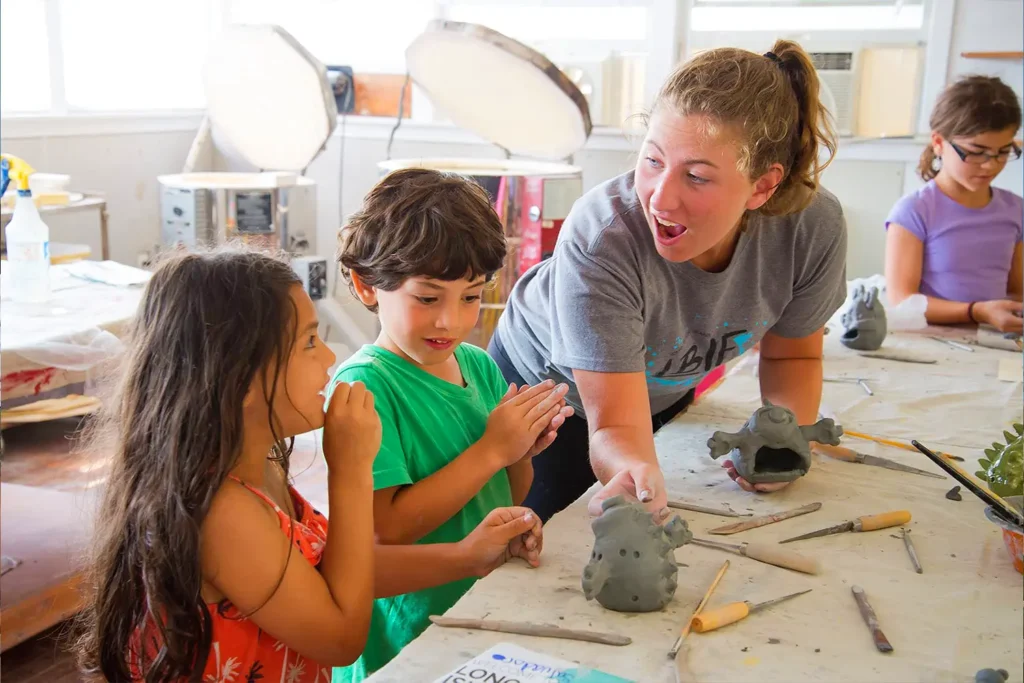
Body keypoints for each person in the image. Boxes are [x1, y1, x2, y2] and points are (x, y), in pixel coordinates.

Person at [73, 249, 549, 683]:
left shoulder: (260, 469)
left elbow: (329, 571)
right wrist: (350, 472)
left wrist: (469, 554)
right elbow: (340, 641)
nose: (328, 358)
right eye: (308, 342)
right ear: (237, 377)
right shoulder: (221, 512)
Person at [488, 40, 848, 523]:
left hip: (656, 389)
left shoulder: (811, 228)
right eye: (653, 160)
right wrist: (637, 476)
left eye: (696, 176)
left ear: (763, 186)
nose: (660, 198)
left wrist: (784, 437)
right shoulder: (604, 237)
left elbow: (794, 353)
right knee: (528, 541)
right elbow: (614, 423)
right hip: (545, 400)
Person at [332, 168, 571, 681]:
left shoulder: (478, 365)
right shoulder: (365, 387)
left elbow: (510, 491)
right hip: (407, 635)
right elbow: (384, 529)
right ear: (366, 284)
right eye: (428, 298)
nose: (452, 321)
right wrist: (491, 448)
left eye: (470, 296)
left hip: (476, 611)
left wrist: (522, 450)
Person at [885, 75, 1023, 334]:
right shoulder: (914, 211)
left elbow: (1017, 292)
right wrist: (977, 311)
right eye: (976, 151)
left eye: (1003, 152)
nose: (990, 164)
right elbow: (902, 300)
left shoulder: (1016, 210)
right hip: (933, 339)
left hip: (997, 340)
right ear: (938, 143)